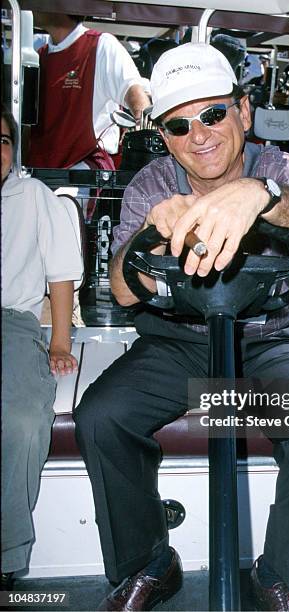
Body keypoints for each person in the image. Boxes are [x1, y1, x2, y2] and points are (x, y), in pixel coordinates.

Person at [73, 43, 289, 611]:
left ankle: (278, 575)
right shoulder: (152, 185)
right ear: (164, 135)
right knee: (100, 417)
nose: (198, 135)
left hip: (270, 340)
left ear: (243, 113)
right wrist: (149, 234)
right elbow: (124, 288)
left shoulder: (278, 169)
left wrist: (259, 196)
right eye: (178, 125)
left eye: (212, 114)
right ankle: (148, 562)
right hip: (178, 345)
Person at [1, 105, 83, 588]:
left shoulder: (34, 197)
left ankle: (7, 553)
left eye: (4, 140)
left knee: (25, 421)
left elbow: (60, 272)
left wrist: (58, 339)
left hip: (12, 323)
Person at [26, 13, 151, 217]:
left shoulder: (101, 45)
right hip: (41, 174)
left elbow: (134, 91)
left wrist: (147, 141)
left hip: (83, 171)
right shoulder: (38, 55)